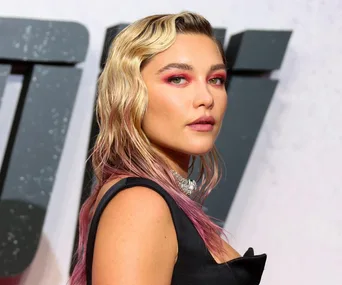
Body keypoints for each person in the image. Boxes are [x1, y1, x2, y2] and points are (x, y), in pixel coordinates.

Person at [69, 11, 267, 285]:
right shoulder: (139, 204)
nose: (206, 98)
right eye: (178, 79)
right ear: (130, 94)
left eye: (216, 79)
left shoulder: (159, 198)